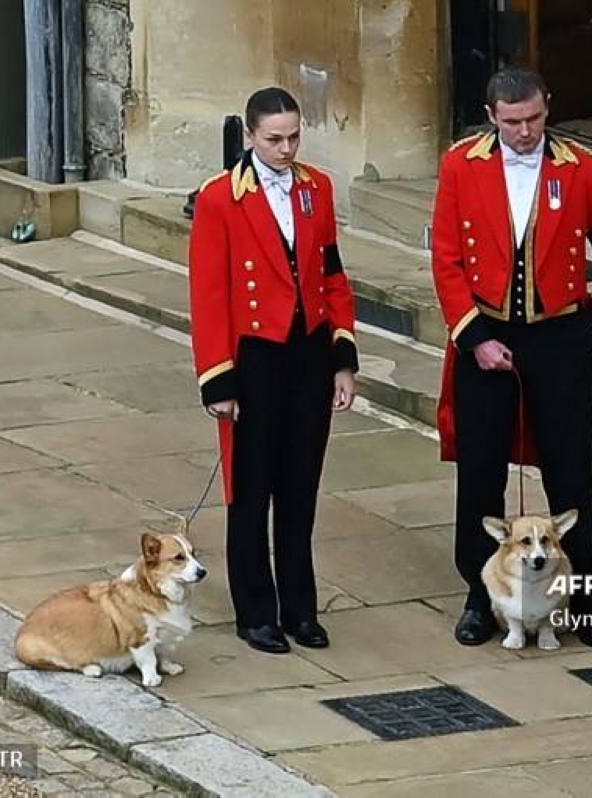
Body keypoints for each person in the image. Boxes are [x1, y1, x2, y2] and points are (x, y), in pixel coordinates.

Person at [432, 68, 592, 650]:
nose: (525, 133)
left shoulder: (582, 170)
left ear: (547, 107)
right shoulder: (460, 166)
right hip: (486, 338)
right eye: (513, 122)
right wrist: (473, 337)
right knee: (481, 477)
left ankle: (587, 603)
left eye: (534, 119)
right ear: (492, 115)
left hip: (558, 341)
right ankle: (481, 597)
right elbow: (446, 260)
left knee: (572, 478)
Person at [188, 87, 359, 655]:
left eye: (293, 137)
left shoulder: (317, 189)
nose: (286, 149)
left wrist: (342, 358)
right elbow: (209, 295)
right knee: (251, 491)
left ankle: (300, 609)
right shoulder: (219, 199)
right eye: (274, 139)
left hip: (308, 353)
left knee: (299, 488)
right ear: (250, 137)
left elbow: (332, 274)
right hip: (253, 358)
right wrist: (218, 379)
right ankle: (256, 612)